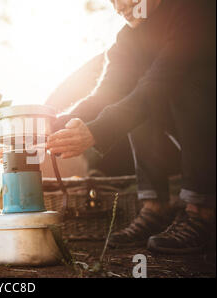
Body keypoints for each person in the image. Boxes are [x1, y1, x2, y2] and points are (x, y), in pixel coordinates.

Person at [47, 0, 216, 254]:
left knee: (171, 88)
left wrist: (98, 131)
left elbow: (162, 81)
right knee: (133, 101)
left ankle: (201, 211)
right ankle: (155, 209)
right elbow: (108, 94)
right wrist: (51, 126)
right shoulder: (128, 38)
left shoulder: (195, 10)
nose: (119, 6)